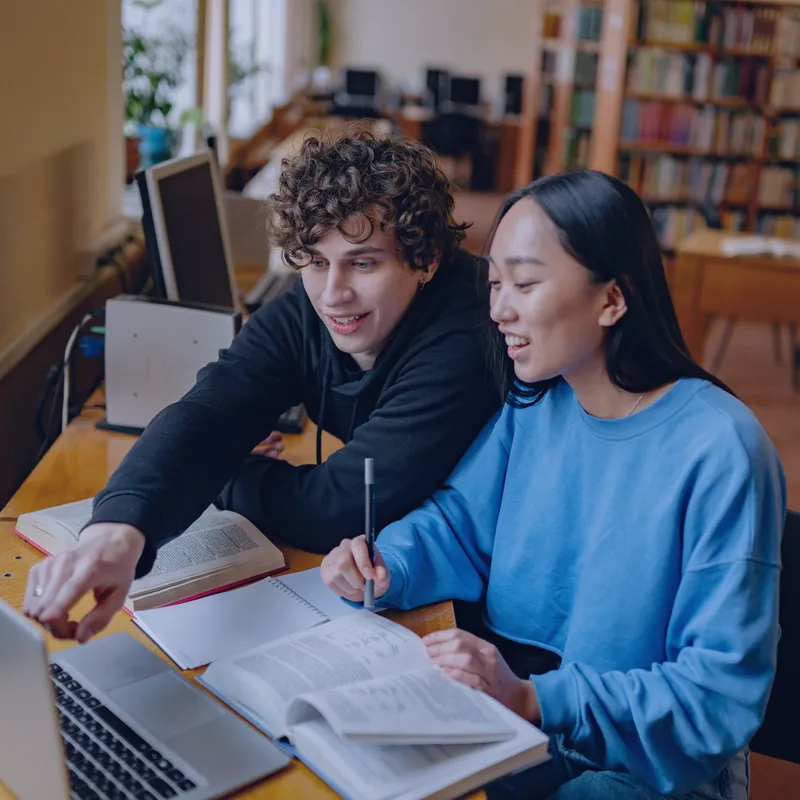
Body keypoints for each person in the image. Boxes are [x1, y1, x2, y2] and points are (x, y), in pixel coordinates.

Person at [320, 170, 786, 800]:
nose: (498, 308)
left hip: (647, 770)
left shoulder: (720, 448)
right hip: (532, 724)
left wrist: (535, 698)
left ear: (612, 299)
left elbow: (715, 696)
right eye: (494, 283)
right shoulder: (535, 401)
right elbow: (461, 523)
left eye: (526, 283)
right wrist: (387, 564)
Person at [23, 131, 498, 643]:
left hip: (478, 615)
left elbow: (336, 508)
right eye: (316, 261)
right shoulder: (310, 305)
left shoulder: (469, 330)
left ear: (425, 258)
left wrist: (231, 470)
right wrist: (117, 532)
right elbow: (213, 407)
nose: (333, 295)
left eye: (363, 262)